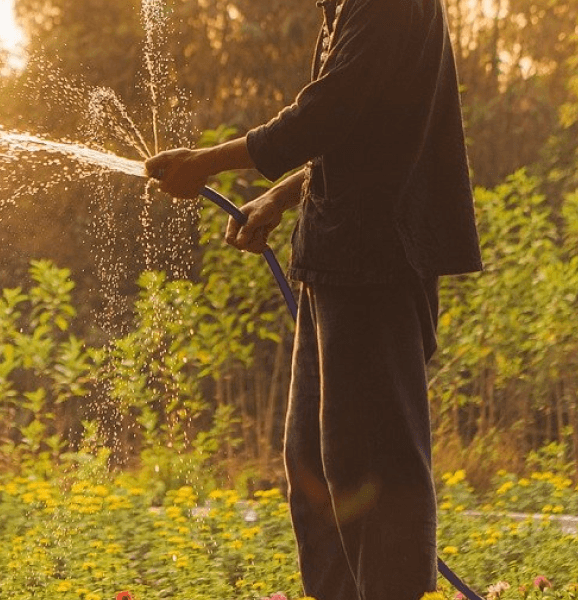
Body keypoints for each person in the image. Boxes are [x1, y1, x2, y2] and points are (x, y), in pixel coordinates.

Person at [144, 0, 483, 598]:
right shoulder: (345, 9)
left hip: (375, 265)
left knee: (375, 470)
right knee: (317, 468)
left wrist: (209, 162)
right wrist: (279, 196)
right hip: (333, 260)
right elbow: (355, 132)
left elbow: (329, 111)